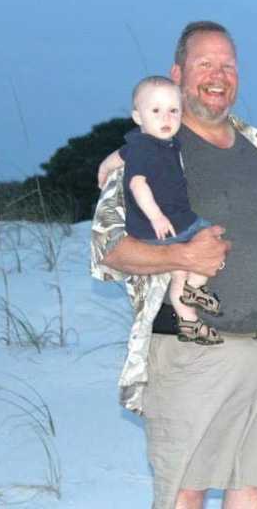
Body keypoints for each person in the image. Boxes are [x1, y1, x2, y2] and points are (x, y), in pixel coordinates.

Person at [90, 21, 257, 509]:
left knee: (253, 491)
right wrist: (181, 256)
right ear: (177, 74)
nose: (218, 74)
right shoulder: (150, 147)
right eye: (204, 63)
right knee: (184, 493)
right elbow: (108, 250)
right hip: (195, 351)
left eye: (228, 64)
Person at [97, 75, 224, 345]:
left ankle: (188, 321)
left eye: (173, 110)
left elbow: (120, 155)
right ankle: (195, 288)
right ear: (137, 116)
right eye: (156, 111)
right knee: (213, 240)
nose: (166, 117)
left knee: (179, 270)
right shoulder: (145, 147)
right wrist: (156, 216)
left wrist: (104, 167)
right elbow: (137, 183)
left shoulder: (156, 143)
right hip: (168, 223)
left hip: (168, 224)